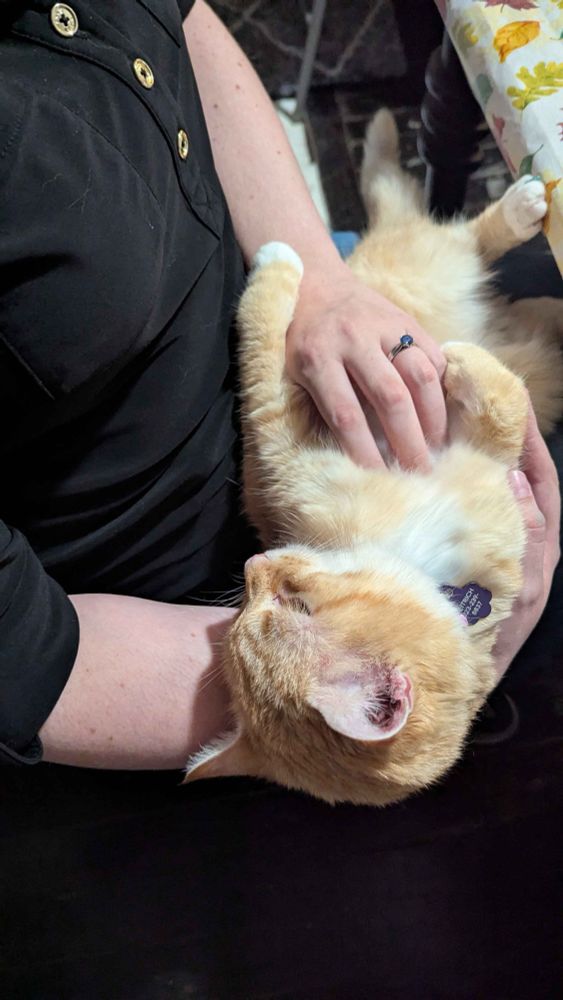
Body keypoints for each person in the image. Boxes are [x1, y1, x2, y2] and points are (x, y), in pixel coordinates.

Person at [0, 0, 559, 769]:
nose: (257, 575)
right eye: (274, 587)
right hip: (184, 620)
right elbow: (29, 664)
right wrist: (440, 688)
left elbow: (182, 19)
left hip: (310, 411)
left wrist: (317, 273)